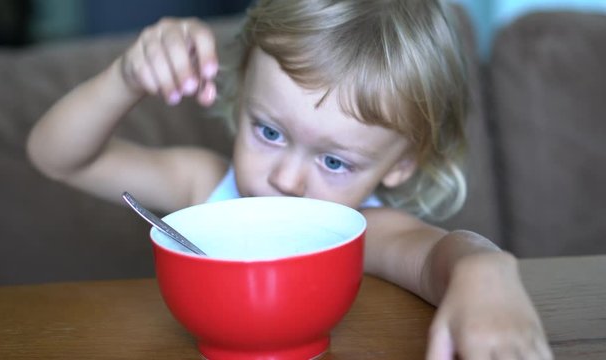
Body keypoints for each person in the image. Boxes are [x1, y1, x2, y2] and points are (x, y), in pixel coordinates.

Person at [27, 0, 553, 358]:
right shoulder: (203, 186)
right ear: (241, 92)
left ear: (398, 165)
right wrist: (127, 77)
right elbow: (59, 158)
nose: (285, 179)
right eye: (270, 131)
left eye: (334, 162)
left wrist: (486, 270)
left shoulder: (365, 229)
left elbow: (442, 258)